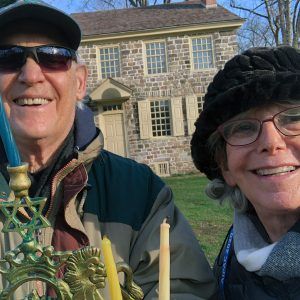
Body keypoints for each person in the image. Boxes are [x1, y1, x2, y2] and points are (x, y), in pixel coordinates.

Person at [0, 0, 217, 299]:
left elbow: (183, 288)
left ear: (80, 83)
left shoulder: (141, 193)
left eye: (53, 57)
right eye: (8, 58)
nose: (31, 74)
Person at [191, 45, 300, 299]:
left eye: (294, 118)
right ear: (225, 165)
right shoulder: (234, 253)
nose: (271, 143)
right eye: (243, 127)